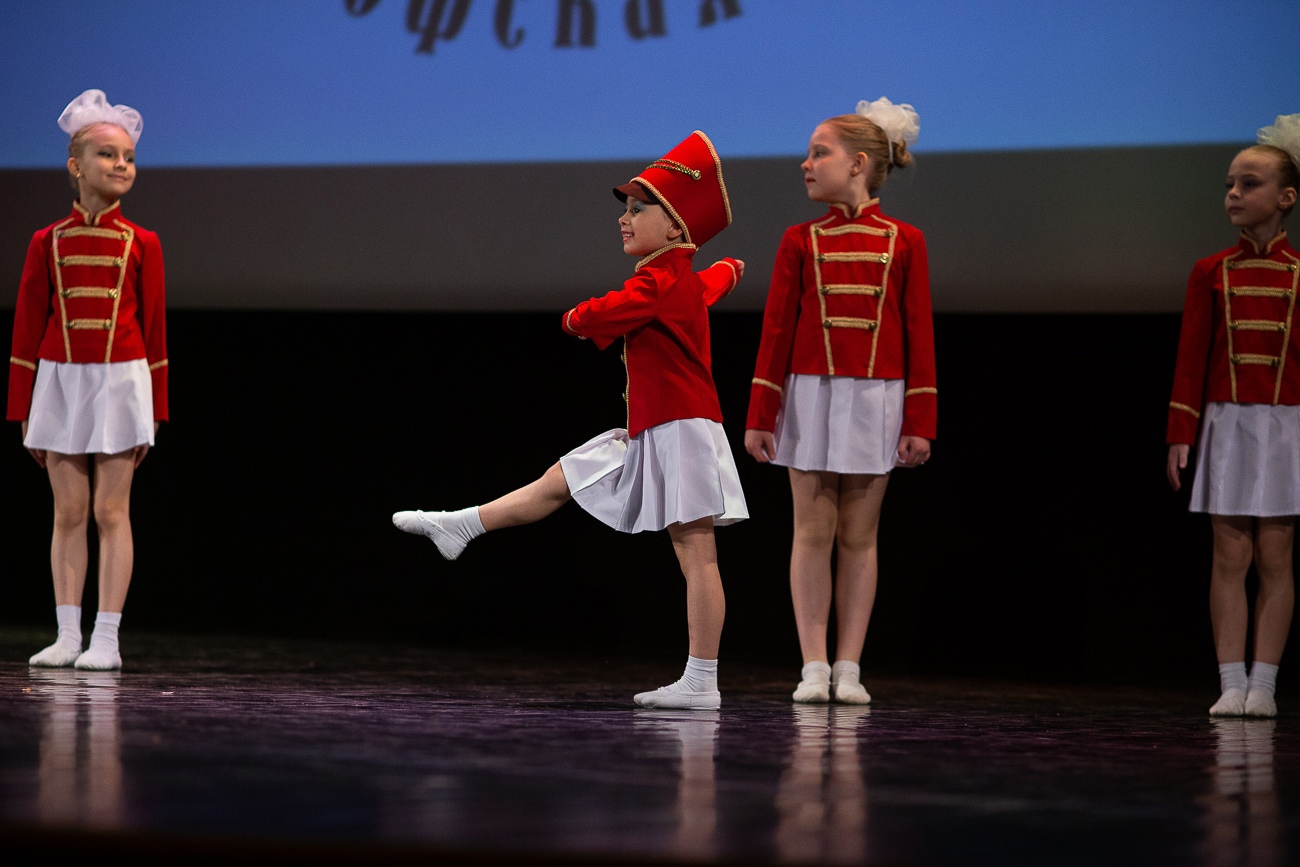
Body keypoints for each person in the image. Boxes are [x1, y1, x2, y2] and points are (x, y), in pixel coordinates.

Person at [394, 131, 747, 710]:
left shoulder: (659, 280)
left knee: (696, 553)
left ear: (675, 227)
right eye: (624, 209)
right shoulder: (679, 278)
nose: (624, 219)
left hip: (679, 429)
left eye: (639, 209)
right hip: (656, 428)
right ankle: (461, 525)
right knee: (561, 479)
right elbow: (708, 285)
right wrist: (728, 270)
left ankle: (702, 680)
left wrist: (575, 318)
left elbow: (603, 313)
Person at [743, 98, 936, 705]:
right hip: (809, 394)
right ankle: (813, 665)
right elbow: (776, 331)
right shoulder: (799, 240)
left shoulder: (905, 241)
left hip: (878, 396)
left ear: (857, 164)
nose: (806, 164)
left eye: (818, 153)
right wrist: (761, 414)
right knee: (811, 531)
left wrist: (920, 419)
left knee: (859, 534)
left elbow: (920, 334)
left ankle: (849, 666)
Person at [8, 89, 169, 671]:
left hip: (121, 381)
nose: (121, 165)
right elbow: (27, 327)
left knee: (111, 512)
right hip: (60, 381)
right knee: (68, 512)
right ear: (75, 166)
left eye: (129, 157)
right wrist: (23, 407)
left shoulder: (142, 242)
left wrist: (155, 410)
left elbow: (155, 332)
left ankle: (107, 639)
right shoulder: (46, 240)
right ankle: (67, 634)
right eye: (107, 155)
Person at [1167, 113, 1300, 719]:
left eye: (1249, 184)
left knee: (1275, 556)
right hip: (1226, 422)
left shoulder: (1299, 273)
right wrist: (1180, 432)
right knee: (1229, 555)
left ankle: (1264, 684)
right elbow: (1190, 359)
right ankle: (1230, 681)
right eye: (1229, 185)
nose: (1234, 195)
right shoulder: (1211, 270)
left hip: (1286, 426)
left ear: (1286, 198)